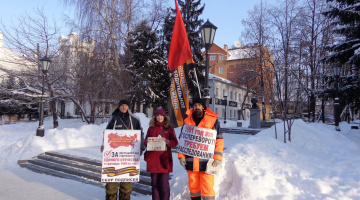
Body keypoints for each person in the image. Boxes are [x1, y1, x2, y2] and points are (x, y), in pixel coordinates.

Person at [178, 98, 224, 200]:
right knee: (194, 188)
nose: (197, 107)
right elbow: (182, 140)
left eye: (199, 105)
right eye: (195, 105)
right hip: (191, 160)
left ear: (203, 107)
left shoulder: (213, 120)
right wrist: (181, 156)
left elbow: (219, 140)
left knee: (208, 187)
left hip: (207, 161)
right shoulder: (187, 121)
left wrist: (217, 158)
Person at [102, 99, 144, 200]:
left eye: (126, 105)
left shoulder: (135, 119)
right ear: (119, 107)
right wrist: (104, 145)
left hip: (128, 157)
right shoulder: (114, 118)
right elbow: (107, 134)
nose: (124, 107)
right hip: (114, 157)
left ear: (128, 107)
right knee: (111, 182)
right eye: (122, 105)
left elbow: (140, 134)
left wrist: (141, 147)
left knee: (126, 182)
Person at [143, 109, 178, 200]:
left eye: (161, 115)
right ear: (155, 116)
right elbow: (145, 141)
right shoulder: (151, 128)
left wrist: (168, 142)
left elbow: (175, 142)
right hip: (153, 160)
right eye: (158, 115)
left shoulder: (169, 128)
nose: (159, 117)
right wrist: (147, 142)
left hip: (164, 160)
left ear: (164, 116)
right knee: (154, 184)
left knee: (164, 184)